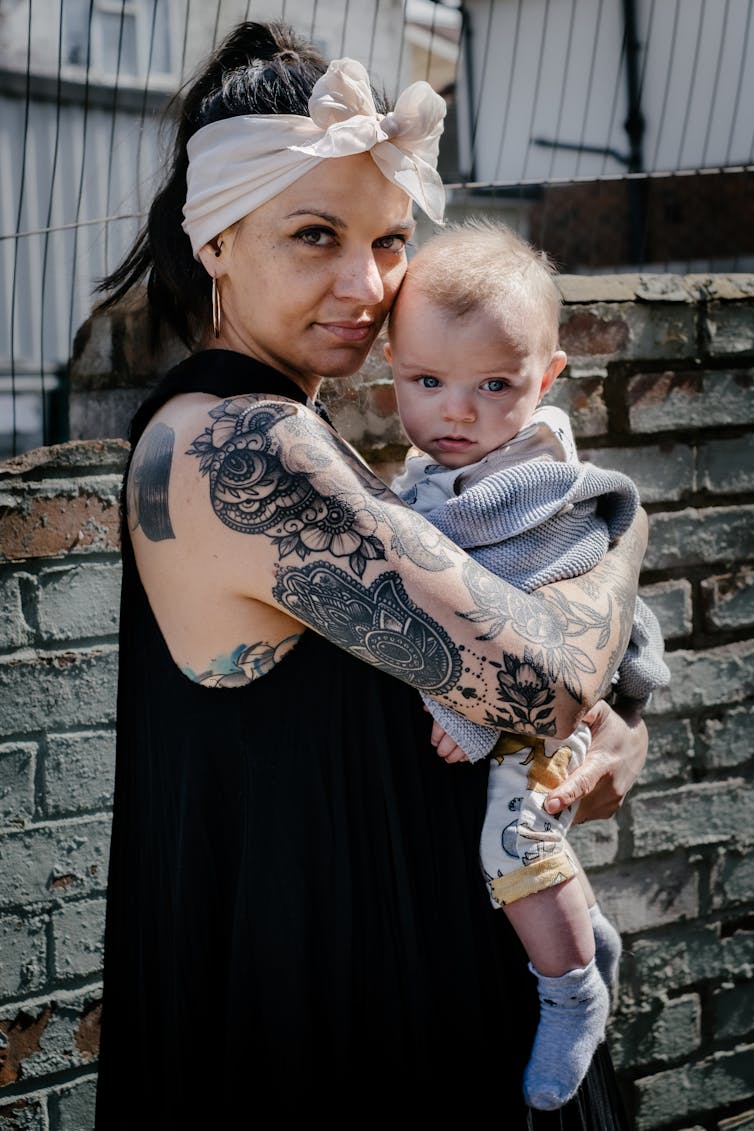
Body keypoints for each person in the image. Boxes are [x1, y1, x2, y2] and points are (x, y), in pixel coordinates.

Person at [93, 20, 650, 1128]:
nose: (368, 283)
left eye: (392, 237)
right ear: (215, 241)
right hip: (347, 1024)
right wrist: (622, 525)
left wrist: (590, 744)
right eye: (315, 235)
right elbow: (537, 681)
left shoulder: (294, 429)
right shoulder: (245, 445)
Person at [385, 218, 670, 1110]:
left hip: (540, 704)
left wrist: (473, 709)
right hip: (519, 690)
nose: (456, 410)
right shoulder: (439, 462)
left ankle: (572, 988)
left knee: (515, 835)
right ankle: (584, 934)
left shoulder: (534, 474)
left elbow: (543, 595)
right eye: (426, 381)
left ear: (546, 381)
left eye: (493, 385)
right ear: (390, 365)